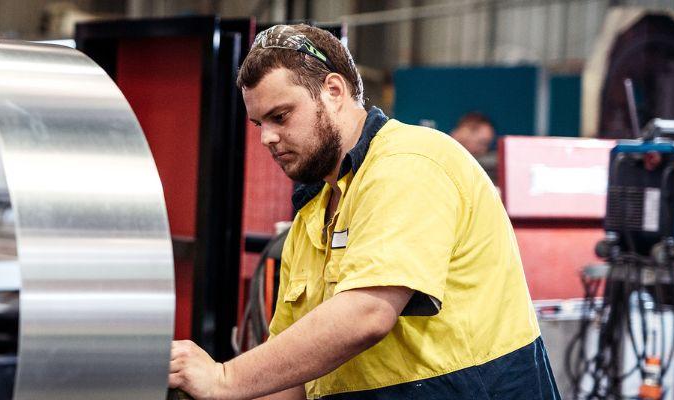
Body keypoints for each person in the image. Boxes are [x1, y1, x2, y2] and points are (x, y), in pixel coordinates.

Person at [167, 24, 558, 400]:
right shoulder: (312, 216)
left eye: (280, 117)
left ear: (333, 90)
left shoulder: (409, 162)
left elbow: (368, 313)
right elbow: (290, 382)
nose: (267, 137)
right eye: (259, 123)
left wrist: (224, 377)